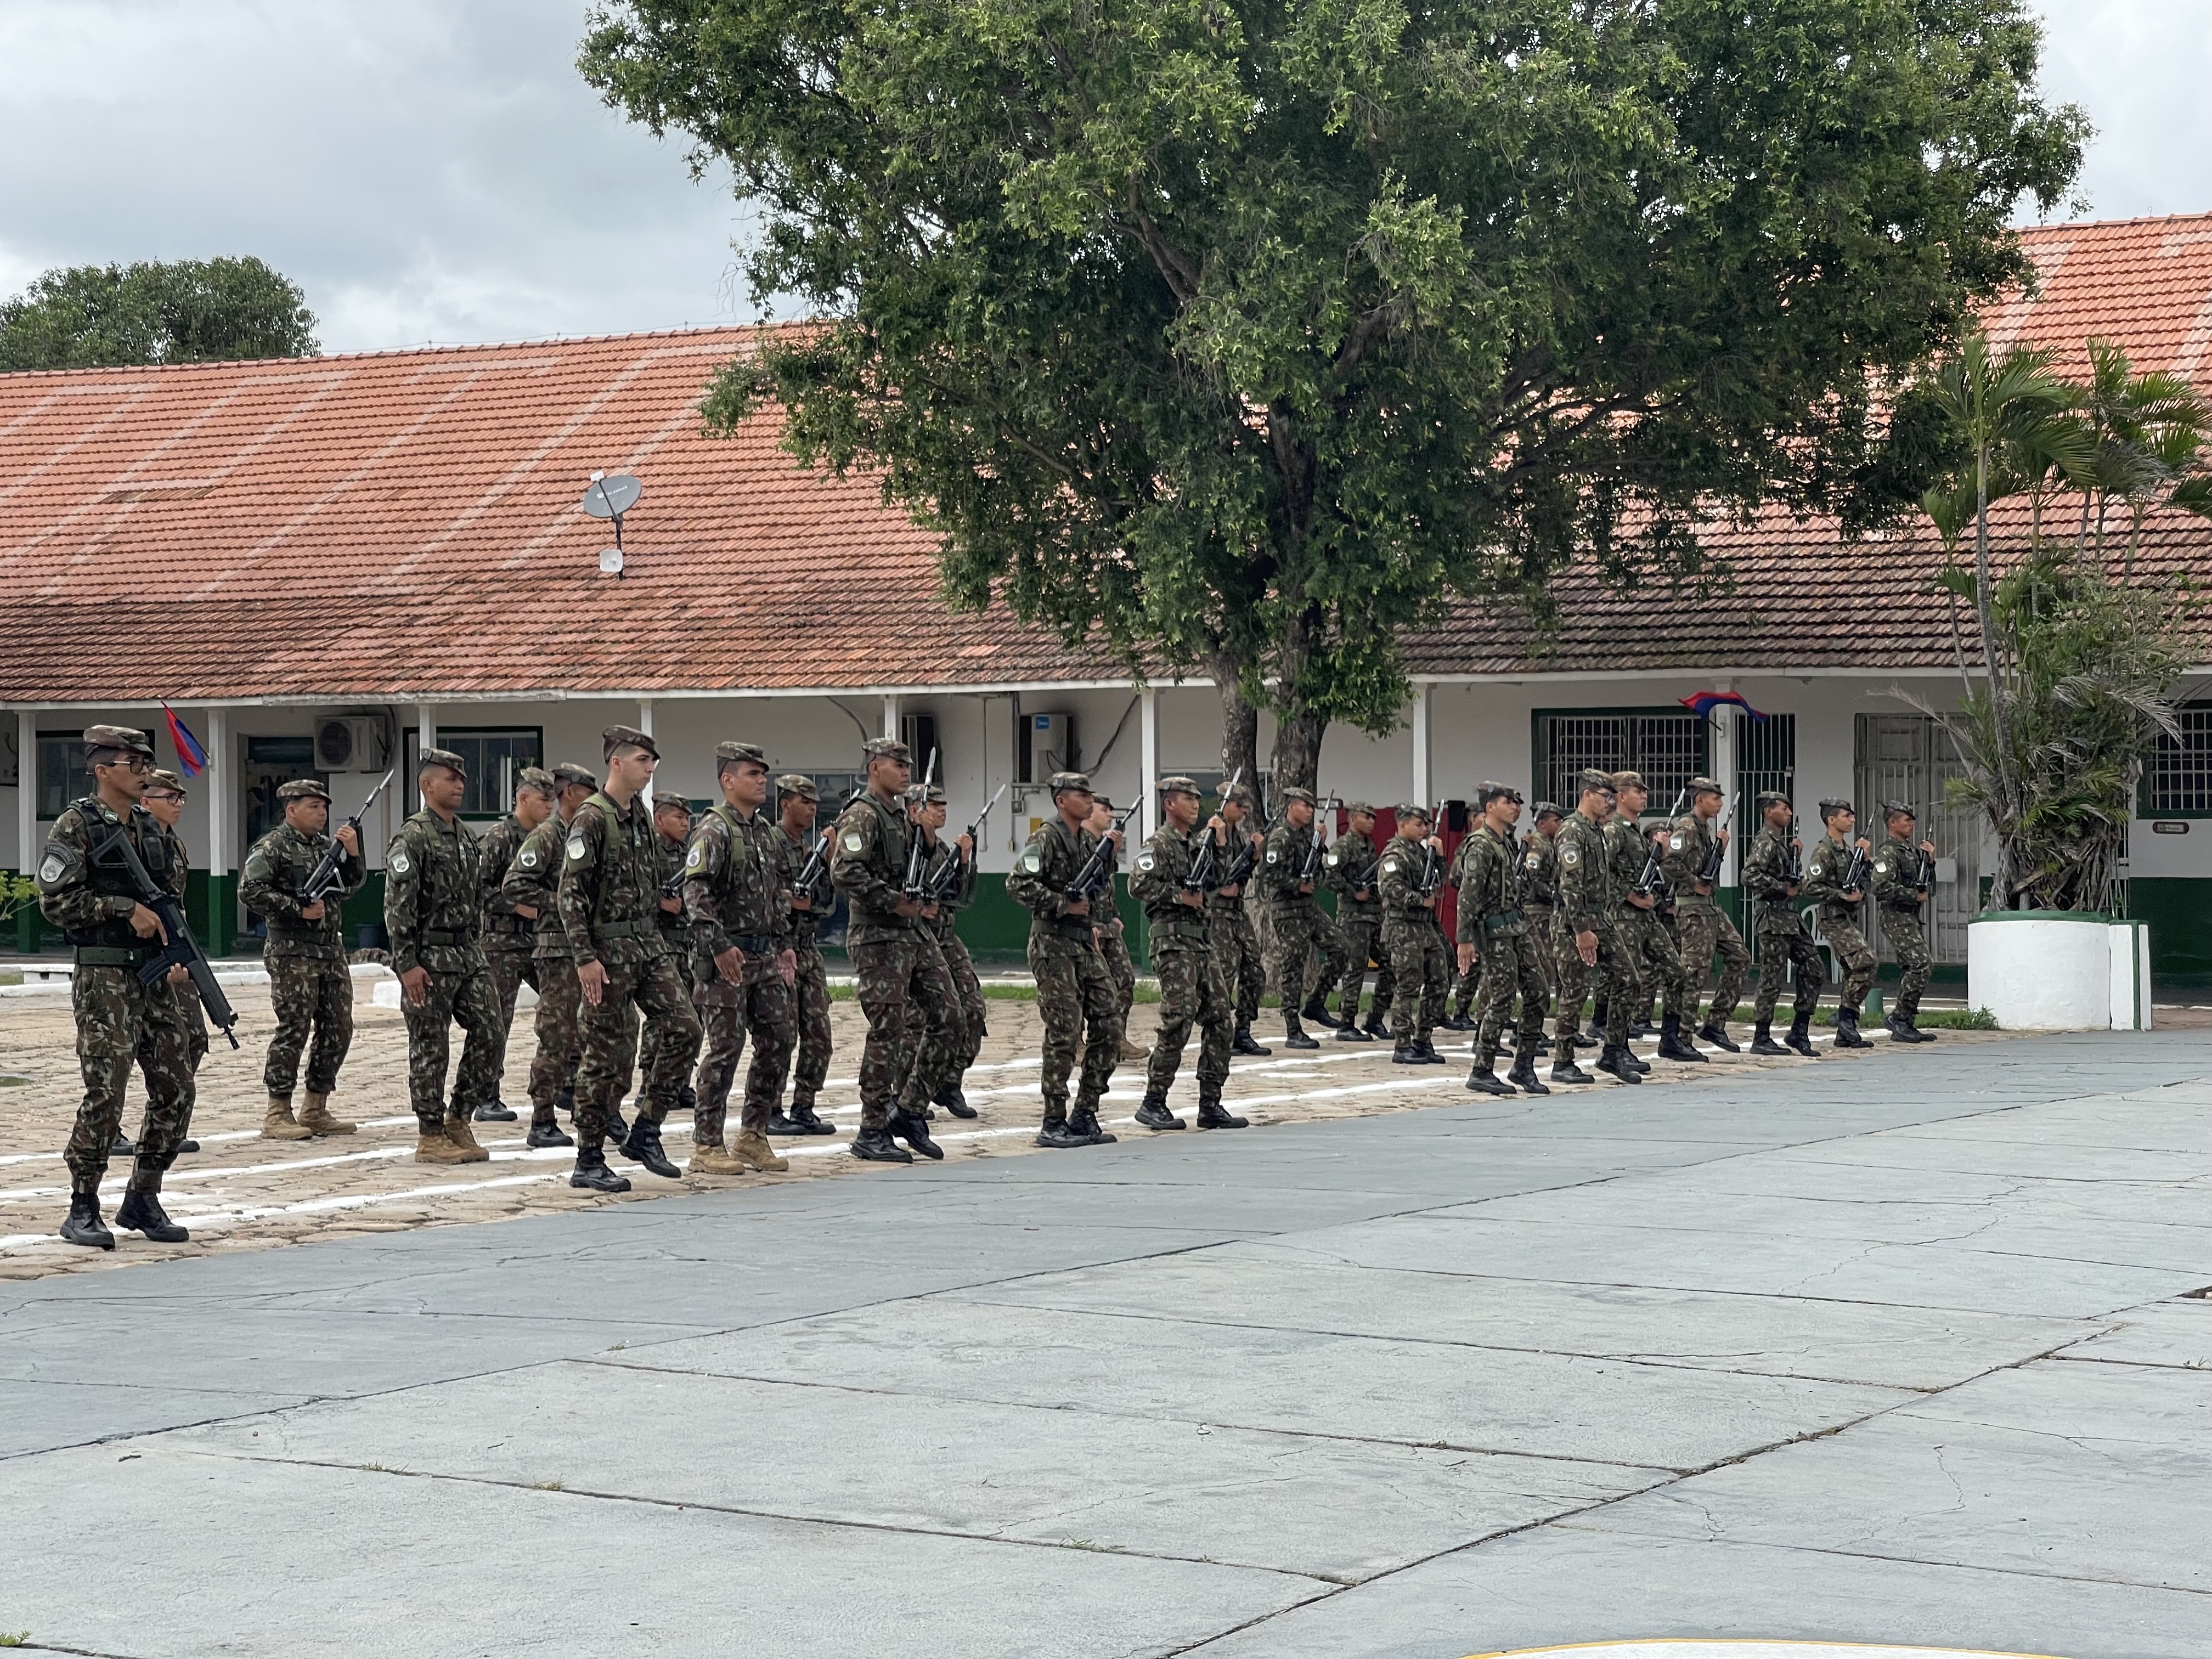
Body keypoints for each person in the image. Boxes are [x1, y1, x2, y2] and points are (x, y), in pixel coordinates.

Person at [38, 727, 197, 1247]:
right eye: (133, 763)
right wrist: (123, 908)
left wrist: (178, 955)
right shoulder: (77, 824)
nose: (144, 771)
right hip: (104, 974)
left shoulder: (156, 832)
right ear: (103, 770)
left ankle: (142, 1197)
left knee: (176, 1087)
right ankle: (83, 1204)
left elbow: (172, 902)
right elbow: (56, 903)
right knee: (106, 1093)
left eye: (147, 762)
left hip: (153, 978)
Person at [557, 725, 704, 1190]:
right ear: (616, 762)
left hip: (648, 946)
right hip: (608, 951)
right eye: (642, 760)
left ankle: (646, 1129)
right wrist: (585, 957)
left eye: (652, 761)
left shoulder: (640, 815)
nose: (650, 768)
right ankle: (589, 1157)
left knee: (685, 1028)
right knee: (607, 1057)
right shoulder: (593, 818)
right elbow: (570, 894)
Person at [829, 736, 957, 1163]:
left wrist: (927, 836)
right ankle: (871, 1128)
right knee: (888, 1030)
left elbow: (917, 867)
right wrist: (891, 900)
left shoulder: (903, 816)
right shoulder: (863, 815)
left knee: (951, 1016)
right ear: (873, 768)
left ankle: (911, 1108)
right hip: (879, 937)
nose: (905, 771)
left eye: (908, 765)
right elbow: (845, 871)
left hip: (913, 934)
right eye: (896, 764)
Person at [385, 748, 503, 1165]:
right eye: (450, 779)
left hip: (467, 954)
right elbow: (397, 906)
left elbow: (478, 896)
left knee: (492, 1031)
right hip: (428, 957)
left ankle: (459, 1117)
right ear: (427, 785)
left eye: (462, 779)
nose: (459, 786)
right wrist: (407, 964)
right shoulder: (413, 837)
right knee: (430, 1046)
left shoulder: (467, 835)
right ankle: (430, 1133)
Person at [682, 743, 795, 1175]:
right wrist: (717, 945)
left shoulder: (763, 831)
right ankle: (707, 1143)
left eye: (763, 773)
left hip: (764, 956)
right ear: (728, 781)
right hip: (726, 960)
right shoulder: (715, 830)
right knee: (725, 1049)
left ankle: (753, 1134)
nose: (762, 780)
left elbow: (775, 893)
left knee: (778, 1040)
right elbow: (696, 893)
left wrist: (784, 942)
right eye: (752, 774)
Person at [1006, 770, 1126, 1146]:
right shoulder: (1047, 837)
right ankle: (1053, 1120)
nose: (1089, 799)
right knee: (1064, 1031)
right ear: (1061, 800)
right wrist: (1062, 903)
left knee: (1109, 1022)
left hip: (1082, 944)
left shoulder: (1088, 843)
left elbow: (1098, 887)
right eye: (1081, 793)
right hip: (1052, 942)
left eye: (1090, 793)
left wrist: (1109, 856)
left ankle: (1086, 1112)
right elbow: (1017, 883)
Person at [240, 776, 365, 1140]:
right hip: (291, 951)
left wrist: (354, 852)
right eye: (313, 806)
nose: (322, 812)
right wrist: (296, 909)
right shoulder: (273, 846)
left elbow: (351, 886)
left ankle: (316, 1106)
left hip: (329, 950)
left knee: (339, 1027)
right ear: (291, 810)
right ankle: (277, 1111)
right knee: (293, 1027)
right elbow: (250, 890)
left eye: (324, 806)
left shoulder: (328, 847)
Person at [1127, 777, 1245, 1130]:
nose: (1196, 806)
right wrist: (1179, 896)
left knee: (1222, 1019)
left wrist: (1220, 845)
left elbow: (1219, 882)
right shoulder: (1159, 844)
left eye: (1198, 800)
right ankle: (1154, 1101)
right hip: (1173, 941)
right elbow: (1138, 885)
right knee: (1178, 1019)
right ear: (1170, 805)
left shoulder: (1197, 844)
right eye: (1188, 800)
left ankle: (1210, 1103)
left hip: (1201, 942)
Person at [501, 762, 596, 1148]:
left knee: (587, 1035)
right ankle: (542, 1119)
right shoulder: (548, 835)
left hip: (587, 949)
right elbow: (514, 884)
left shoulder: (589, 832)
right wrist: (559, 903)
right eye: (587, 790)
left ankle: (582, 1104)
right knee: (556, 1035)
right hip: (557, 951)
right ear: (570, 793)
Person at [1457, 783, 1550, 1096]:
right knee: (1502, 1000)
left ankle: (1523, 1066)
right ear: (1490, 807)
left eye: (1517, 802)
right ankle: (1481, 1069)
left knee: (1538, 992)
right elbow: (1468, 895)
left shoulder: (1506, 843)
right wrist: (1465, 940)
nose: (1516, 807)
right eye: (1508, 802)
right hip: (1494, 932)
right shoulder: (1481, 845)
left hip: (1516, 928)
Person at [474, 766, 554, 1124]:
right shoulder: (499, 838)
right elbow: (478, 888)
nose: (550, 806)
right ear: (523, 799)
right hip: (502, 943)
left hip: (539, 941)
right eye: (543, 799)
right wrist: (515, 906)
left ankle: (563, 1085)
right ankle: (486, 1095)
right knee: (496, 1021)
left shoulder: (549, 838)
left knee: (563, 1010)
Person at [1552, 769, 1634, 1084]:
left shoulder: (1597, 830)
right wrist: (1581, 930)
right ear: (1587, 794)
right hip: (1576, 922)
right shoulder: (1572, 830)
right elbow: (1570, 885)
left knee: (1629, 980)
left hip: (1602, 919)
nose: (1609, 803)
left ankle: (1613, 1051)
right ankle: (1563, 1061)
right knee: (1574, 992)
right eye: (1604, 797)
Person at [767, 774, 839, 1136]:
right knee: (782, 1033)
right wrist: (787, 900)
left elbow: (825, 903)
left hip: (809, 949)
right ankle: (772, 1107)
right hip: (782, 949)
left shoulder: (808, 851)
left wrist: (827, 859)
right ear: (785, 804)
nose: (811, 809)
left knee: (819, 1034)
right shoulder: (771, 844)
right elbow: (755, 893)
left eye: (814, 804)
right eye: (804, 802)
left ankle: (804, 1105)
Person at [1610, 771, 1698, 1064]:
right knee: (1628, 980)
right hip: (1624, 915)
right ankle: (1617, 1047)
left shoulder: (1635, 830)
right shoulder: (1613, 830)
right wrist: (1629, 895)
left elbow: (1645, 873)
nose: (1644, 795)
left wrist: (1659, 853)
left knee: (1677, 972)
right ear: (1621, 796)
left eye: (1645, 790)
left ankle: (1670, 1039)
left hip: (1645, 915)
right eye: (1638, 790)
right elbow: (1601, 872)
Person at [1661, 776, 1753, 1054]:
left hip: (1710, 906)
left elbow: (1705, 867)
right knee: (1694, 971)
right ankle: (1680, 1035)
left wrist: (1720, 850)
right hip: (1692, 907)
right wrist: (1693, 882)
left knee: (1740, 956)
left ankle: (1715, 1022)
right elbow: (1669, 862)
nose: (1720, 804)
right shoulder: (1687, 827)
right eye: (1715, 798)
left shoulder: (1704, 829)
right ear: (1700, 799)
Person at [908, 783, 984, 1118]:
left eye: (944, 805)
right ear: (914, 810)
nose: (942, 810)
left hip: (947, 939)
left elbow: (962, 898)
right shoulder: (903, 849)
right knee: (916, 1022)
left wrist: (965, 861)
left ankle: (950, 1084)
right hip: (915, 940)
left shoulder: (941, 850)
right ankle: (908, 1093)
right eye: (934, 805)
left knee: (972, 1010)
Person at [140, 769, 204, 1154]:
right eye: (170, 798)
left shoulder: (173, 844)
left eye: (181, 799)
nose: (178, 805)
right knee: (124, 1049)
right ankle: (112, 1128)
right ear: (146, 801)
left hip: (175, 949)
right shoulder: (133, 841)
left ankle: (166, 1123)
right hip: (143, 954)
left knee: (193, 1036)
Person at [1259, 787, 1342, 1048]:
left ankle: (1316, 1002)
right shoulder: (1280, 837)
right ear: (1291, 807)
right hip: (1287, 908)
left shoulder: (1307, 835)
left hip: (1308, 906)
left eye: (1312, 807)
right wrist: (1297, 885)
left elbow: (1321, 866)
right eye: (1305, 806)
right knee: (1293, 965)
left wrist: (1322, 845)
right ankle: (1292, 1029)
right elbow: (1270, 876)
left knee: (1341, 948)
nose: (1310, 811)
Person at [1742, 792, 1823, 1057]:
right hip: (1772, 916)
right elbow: (1750, 875)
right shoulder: (1765, 842)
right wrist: (1781, 888)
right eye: (1784, 808)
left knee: (1814, 967)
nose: (1789, 812)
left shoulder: (1779, 843)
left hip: (1789, 918)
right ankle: (1761, 1036)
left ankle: (1799, 1030)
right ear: (1768, 812)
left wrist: (1793, 857)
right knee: (1772, 978)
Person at [639, 789, 701, 1119]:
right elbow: (633, 889)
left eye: (688, 818)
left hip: (684, 944)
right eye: (678, 817)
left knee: (690, 1014)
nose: (685, 824)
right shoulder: (649, 851)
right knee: (660, 1018)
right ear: (659, 818)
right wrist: (659, 903)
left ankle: (679, 1081)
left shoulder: (688, 853)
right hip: (659, 944)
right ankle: (649, 1082)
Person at [1376, 805, 1450, 1065]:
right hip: (1403, 928)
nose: (1425, 829)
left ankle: (1423, 1039)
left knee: (1440, 982)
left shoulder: (1421, 853)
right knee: (1408, 986)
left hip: (1425, 928)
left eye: (1426, 825)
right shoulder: (1395, 854)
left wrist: (1440, 857)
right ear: (1403, 824)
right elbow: (1390, 890)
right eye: (1419, 824)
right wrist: (1421, 900)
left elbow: (1443, 880)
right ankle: (1403, 1044)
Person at [1802, 798, 1876, 1048]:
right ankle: (1845, 1016)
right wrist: (1842, 896)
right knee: (1866, 962)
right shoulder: (1823, 851)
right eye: (1846, 816)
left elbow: (1866, 882)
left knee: (1852, 970)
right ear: (1831, 820)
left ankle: (1846, 1031)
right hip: (1833, 920)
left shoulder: (1848, 851)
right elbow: (1811, 886)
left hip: (1848, 918)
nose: (1852, 820)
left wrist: (1866, 861)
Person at [1083, 794, 1148, 1063]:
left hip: (1108, 923)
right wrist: (1090, 924)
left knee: (1123, 981)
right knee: (1081, 986)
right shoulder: (1077, 844)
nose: (1110, 815)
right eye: (1104, 810)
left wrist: (1115, 916)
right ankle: (1074, 1041)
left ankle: (1116, 1039)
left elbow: (1104, 886)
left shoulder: (1102, 845)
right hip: (1086, 925)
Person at [1872, 802, 1939, 1043]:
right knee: (1922, 964)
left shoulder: (1909, 851)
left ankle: (1906, 1022)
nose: (1911, 824)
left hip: (1909, 916)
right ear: (1892, 823)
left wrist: (1930, 862)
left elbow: (1925, 884)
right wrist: (1912, 896)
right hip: (1895, 916)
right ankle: (1899, 1018)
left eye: (1912, 820)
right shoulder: (1889, 852)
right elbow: (1879, 886)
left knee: (1913, 967)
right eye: (1906, 820)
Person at [1211, 781, 1270, 1056]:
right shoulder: (1210, 837)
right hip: (1215, 913)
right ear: (1224, 805)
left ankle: (1243, 1030)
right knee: (1224, 973)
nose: (1245, 809)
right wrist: (1218, 888)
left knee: (1254, 971)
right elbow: (1200, 876)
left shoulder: (1236, 837)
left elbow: (1240, 876)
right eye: (1239, 804)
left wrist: (1255, 855)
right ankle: (1218, 1033)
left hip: (1236, 911)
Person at [1323, 802, 1391, 1040]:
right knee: (1356, 968)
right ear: (1353, 820)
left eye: (1374, 817)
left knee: (1390, 963)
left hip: (1374, 916)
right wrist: (1352, 891)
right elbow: (1328, 877)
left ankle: (1375, 1019)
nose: (1372, 821)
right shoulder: (1342, 847)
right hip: (1353, 917)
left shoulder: (1370, 847)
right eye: (1367, 817)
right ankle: (1347, 1023)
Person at [1521, 803, 1563, 1002]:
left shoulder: (1549, 844)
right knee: (1543, 961)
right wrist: (1556, 895)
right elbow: (1533, 879)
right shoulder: (1538, 845)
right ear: (1542, 824)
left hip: (1547, 910)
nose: (1561, 824)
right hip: (1537, 911)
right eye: (1556, 821)